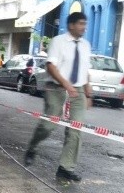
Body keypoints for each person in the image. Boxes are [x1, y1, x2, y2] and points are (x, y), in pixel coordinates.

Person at [23, 12, 93, 182]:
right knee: (49, 125)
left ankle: (65, 168)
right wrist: (66, 84)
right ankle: (32, 147)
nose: (84, 27)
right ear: (71, 25)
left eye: (85, 24)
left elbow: (84, 69)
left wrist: (88, 90)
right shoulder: (58, 42)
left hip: (78, 91)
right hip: (56, 87)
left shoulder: (85, 45)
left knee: (76, 129)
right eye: (81, 24)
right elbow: (51, 66)